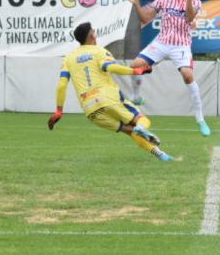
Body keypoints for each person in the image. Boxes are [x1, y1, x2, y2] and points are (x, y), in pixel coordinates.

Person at [47, 22, 176, 161]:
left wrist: (59, 110)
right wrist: (136, 70)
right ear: (92, 35)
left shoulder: (68, 58)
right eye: (94, 31)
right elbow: (111, 67)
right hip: (108, 98)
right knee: (142, 120)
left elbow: (62, 85)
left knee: (130, 131)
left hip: (90, 109)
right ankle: (141, 128)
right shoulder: (99, 51)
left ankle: (161, 155)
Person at [125, 0, 210, 136]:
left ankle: (200, 119)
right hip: (162, 42)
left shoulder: (195, 0)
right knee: (135, 65)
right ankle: (136, 96)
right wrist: (135, 3)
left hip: (181, 45)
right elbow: (144, 18)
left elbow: (190, 18)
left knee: (188, 75)